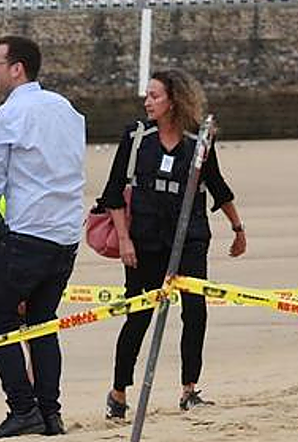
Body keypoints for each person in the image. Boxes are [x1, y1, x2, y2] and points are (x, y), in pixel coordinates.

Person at [100, 70, 246, 417]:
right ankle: (118, 393)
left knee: (195, 312)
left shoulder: (198, 143)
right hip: (144, 240)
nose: (147, 102)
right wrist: (124, 241)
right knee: (139, 316)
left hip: (190, 238)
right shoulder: (137, 138)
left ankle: (189, 390)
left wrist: (237, 227)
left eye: (154, 96)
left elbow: (217, 185)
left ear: (174, 100)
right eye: (147, 96)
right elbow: (112, 193)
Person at [0, 35, 86, 439]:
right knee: (41, 321)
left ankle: (23, 407)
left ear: (17, 68)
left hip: (31, 232)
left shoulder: (9, 113)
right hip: (66, 235)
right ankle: (51, 413)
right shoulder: (66, 109)